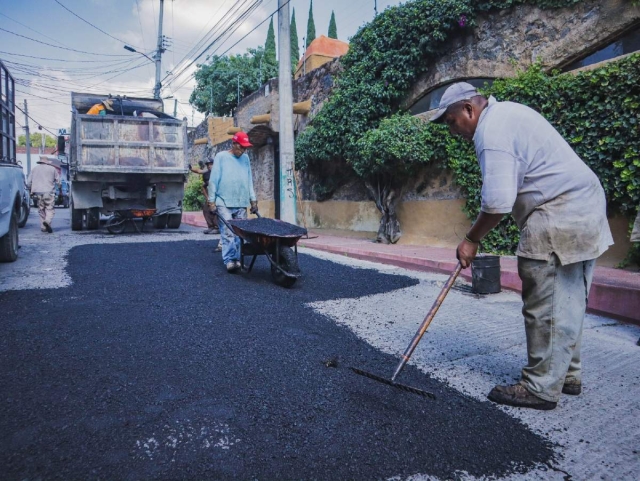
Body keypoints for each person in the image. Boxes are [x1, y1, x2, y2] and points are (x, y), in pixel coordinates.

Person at [431, 82, 613, 410]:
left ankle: (541, 387)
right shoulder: (507, 115)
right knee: (568, 296)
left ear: (469, 110)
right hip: (583, 207)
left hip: (560, 211)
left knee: (544, 294)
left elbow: (498, 201)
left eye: (451, 121)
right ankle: (566, 375)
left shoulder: (492, 130)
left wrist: (471, 239)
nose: (452, 130)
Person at [207, 131, 259, 273]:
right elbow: (213, 180)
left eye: (245, 148)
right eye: (241, 147)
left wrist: (253, 200)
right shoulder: (221, 157)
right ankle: (230, 260)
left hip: (241, 201)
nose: (243, 150)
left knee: (240, 234)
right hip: (223, 201)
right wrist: (211, 201)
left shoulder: (246, 159)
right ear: (234, 144)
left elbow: (249, 180)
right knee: (228, 232)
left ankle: (238, 260)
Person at [27, 157, 61, 234]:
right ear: (47, 162)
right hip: (48, 192)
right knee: (49, 208)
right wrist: (59, 188)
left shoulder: (34, 169)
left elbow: (29, 182)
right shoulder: (52, 169)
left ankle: (43, 227)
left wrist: (30, 189)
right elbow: (58, 181)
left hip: (37, 193)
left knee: (41, 209)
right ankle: (47, 221)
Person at [189, 159, 220, 236]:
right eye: (208, 164)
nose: (210, 166)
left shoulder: (219, 173)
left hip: (218, 196)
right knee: (206, 209)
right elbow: (203, 186)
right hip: (210, 196)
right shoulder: (206, 174)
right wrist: (207, 198)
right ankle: (211, 227)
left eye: (211, 164)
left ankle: (217, 228)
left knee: (215, 210)